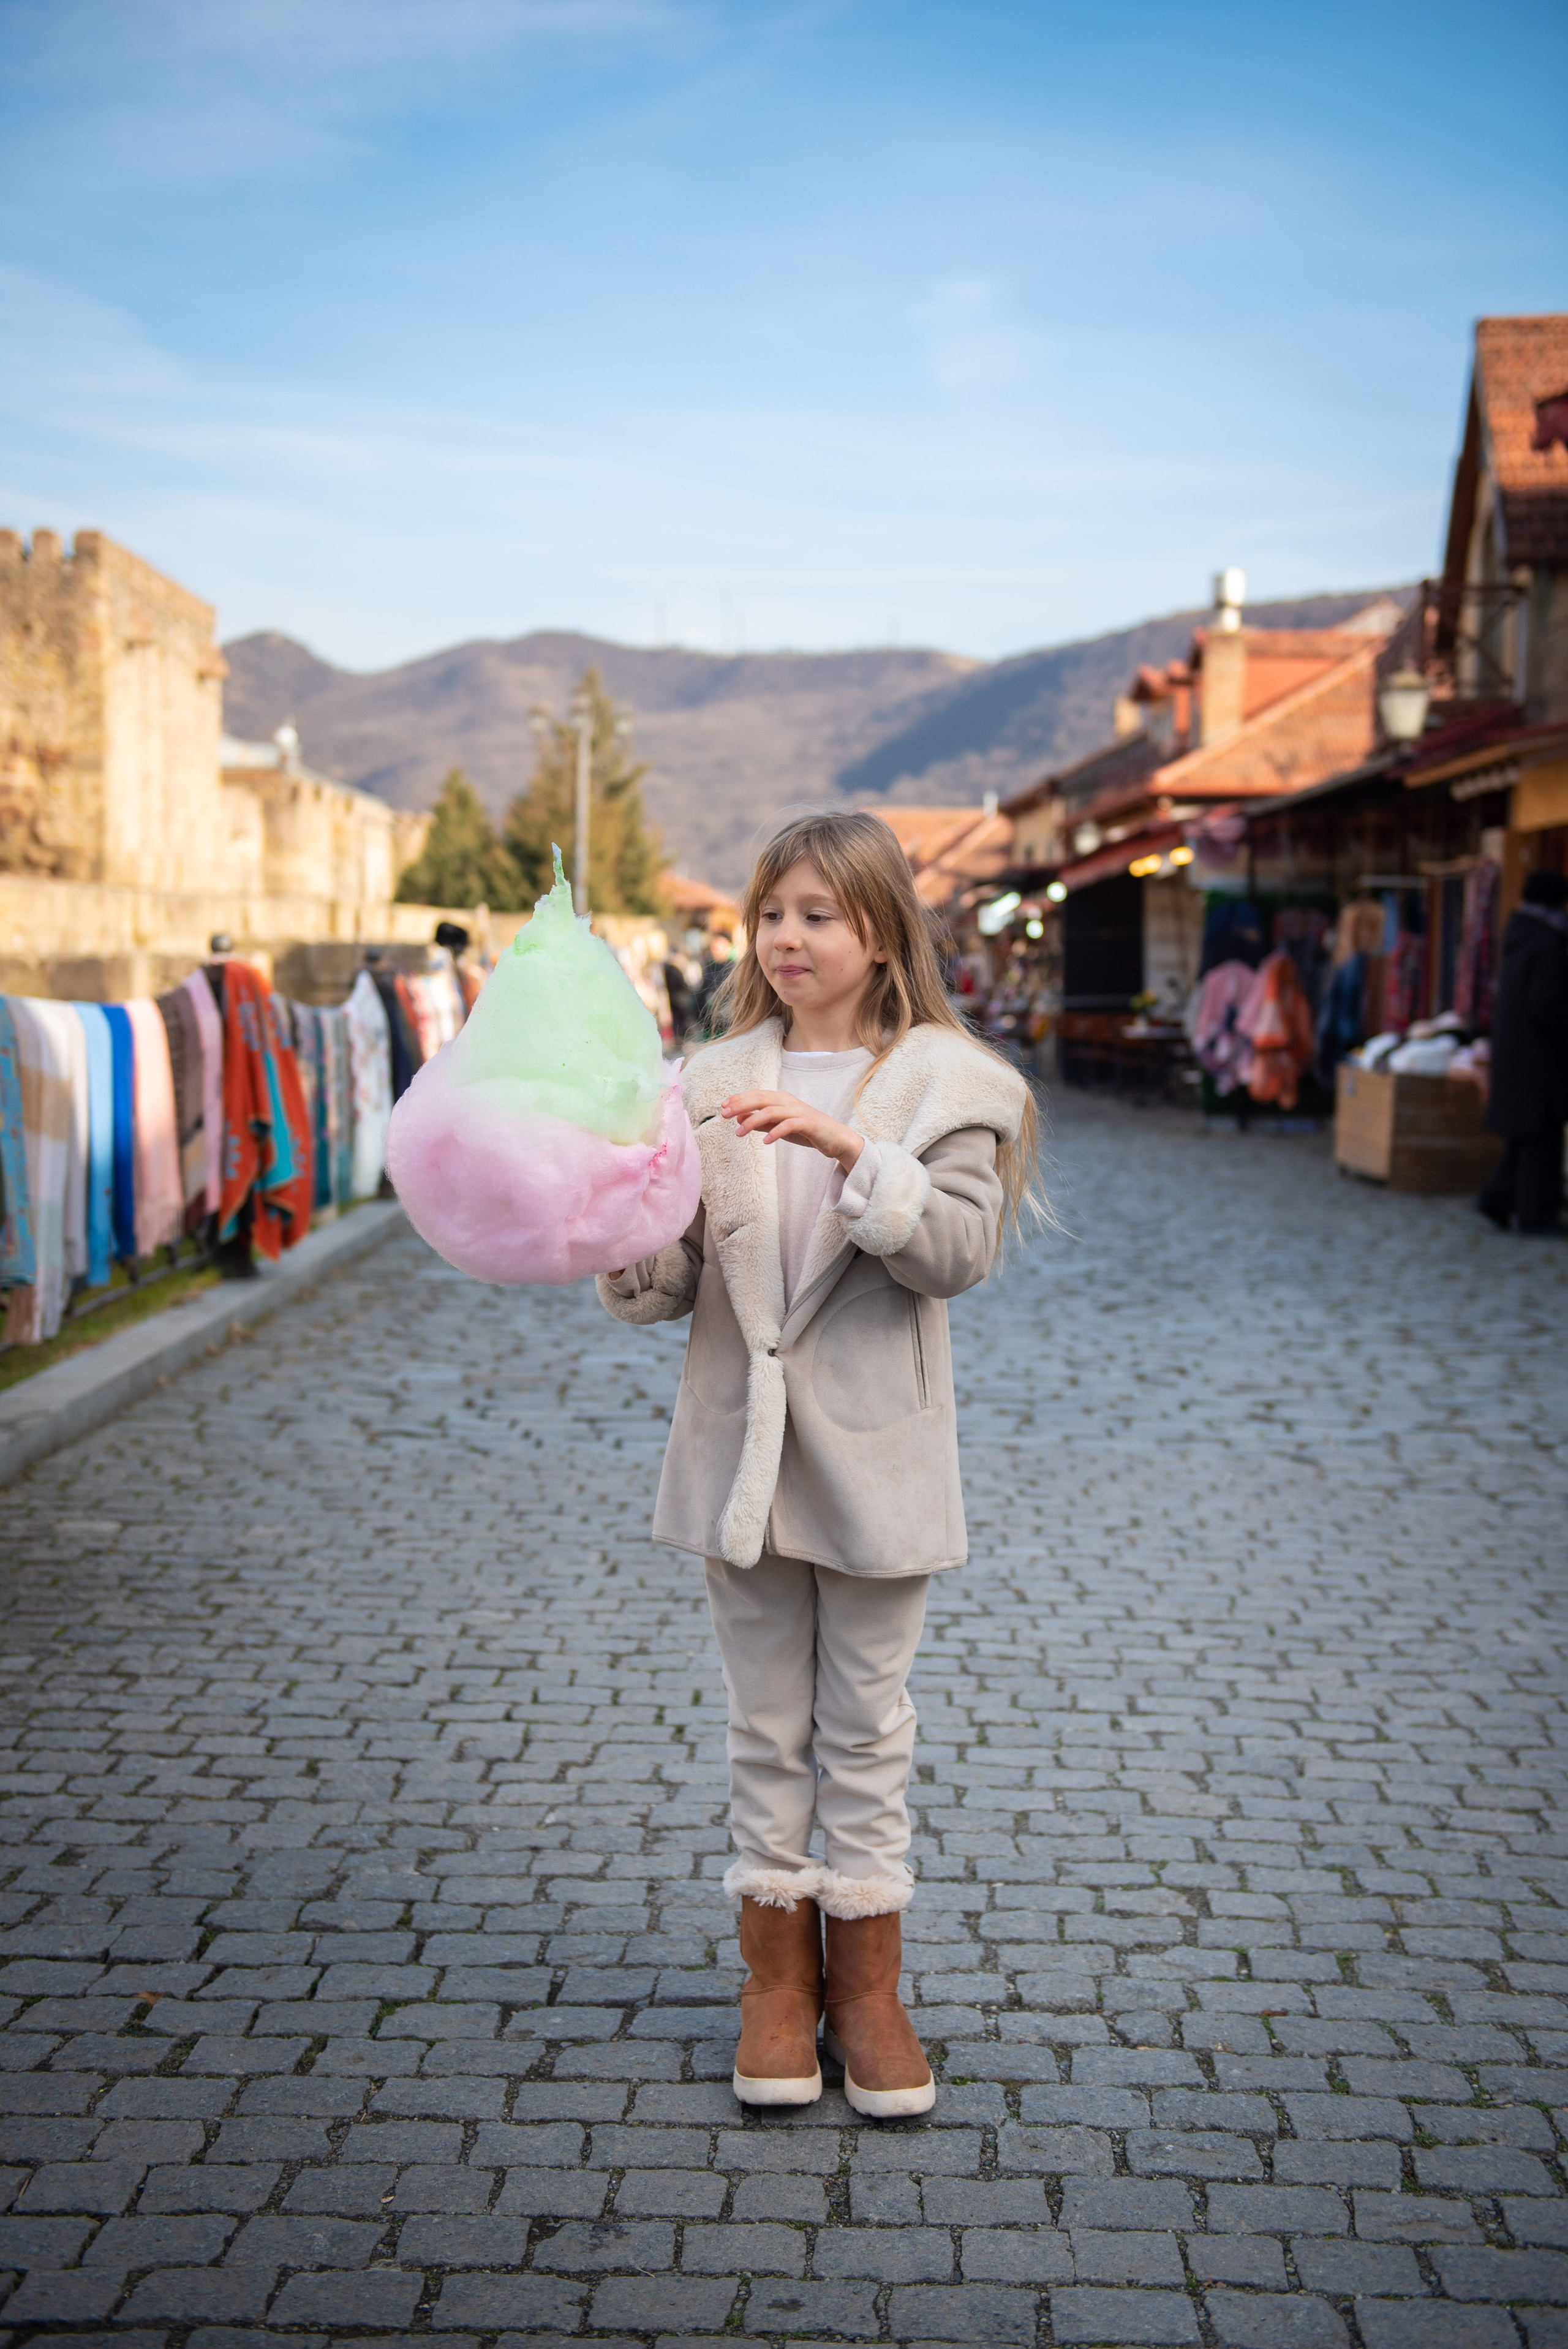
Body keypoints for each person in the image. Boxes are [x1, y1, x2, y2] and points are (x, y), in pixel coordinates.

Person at [599, 811, 1038, 2118]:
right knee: (762, 1728)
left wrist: (855, 1149)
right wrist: (614, 1213)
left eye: (816, 915)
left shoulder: (952, 1083)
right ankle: (775, 1989)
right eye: (770, 913)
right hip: (737, 1451)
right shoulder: (707, 1076)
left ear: (880, 931)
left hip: (877, 1461)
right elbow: (669, 1283)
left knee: (866, 1731)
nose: (786, 939)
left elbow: (955, 1253)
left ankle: (867, 1993)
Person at [1479, 869, 1568, 1235]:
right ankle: (1534, 1214)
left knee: (1526, 1136)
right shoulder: (1547, 943)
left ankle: (1498, 1198)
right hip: (1538, 1059)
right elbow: (1546, 1002)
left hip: (1518, 1054)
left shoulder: (1521, 936)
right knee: (1540, 1138)